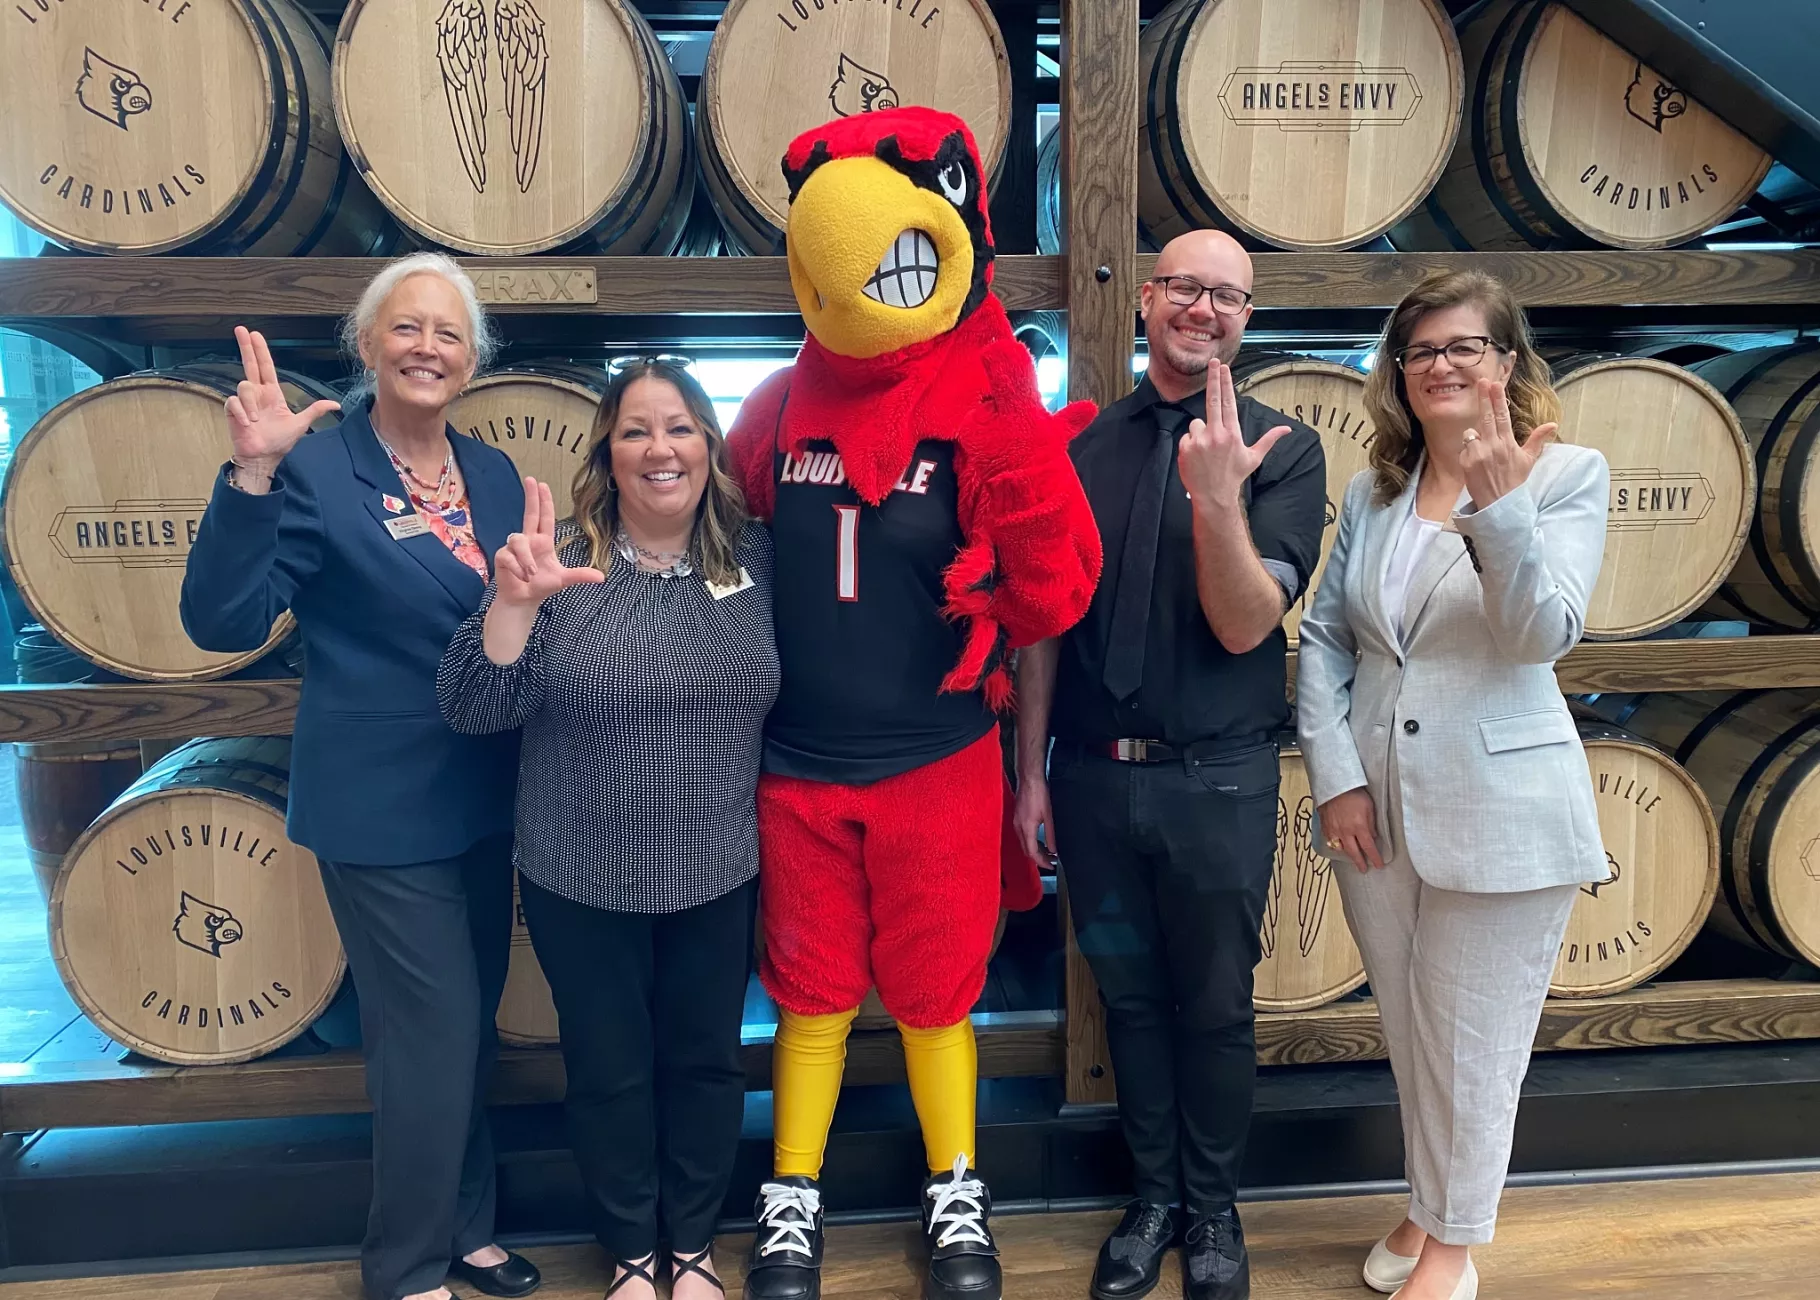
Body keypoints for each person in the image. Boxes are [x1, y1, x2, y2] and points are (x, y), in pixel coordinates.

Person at [180, 253, 540, 1300]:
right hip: (378, 805)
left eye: (449, 332)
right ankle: (406, 1264)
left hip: (483, 794)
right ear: (368, 344)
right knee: (430, 1034)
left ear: (473, 359)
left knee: (465, 1026)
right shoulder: (316, 468)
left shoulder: (488, 473)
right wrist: (251, 476)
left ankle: (466, 1227)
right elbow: (222, 623)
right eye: (407, 327)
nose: (428, 347)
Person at [1013, 229, 1326, 1300]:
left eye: (1227, 296)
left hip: (1219, 783)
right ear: (1147, 300)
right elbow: (1043, 627)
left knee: (1216, 1004)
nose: (1204, 308)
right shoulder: (1084, 447)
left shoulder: (1283, 450)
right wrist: (1031, 773)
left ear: (1247, 319)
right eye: (1187, 287)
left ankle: (1214, 1212)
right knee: (1129, 999)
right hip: (1094, 783)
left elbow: (1245, 624)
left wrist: (1218, 497)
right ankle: (1151, 1201)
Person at [1295, 271, 1609, 1300]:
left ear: (1505, 362)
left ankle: (1453, 1247)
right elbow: (1327, 639)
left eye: (1463, 346)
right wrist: (1336, 776)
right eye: (1419, 350)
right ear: (1398, 372)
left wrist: (1499, 507)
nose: (1440, 366)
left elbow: (1539, 636)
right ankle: (1430, 1206)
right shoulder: (1373, 492)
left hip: (1501, 806)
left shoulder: (1565, 476)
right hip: (1375, 810)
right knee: (1413, 1029)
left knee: (1473, 1041)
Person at [438, 360, 778, 1300]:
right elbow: (471, 708)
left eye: (679, 428)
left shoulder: (756, 558)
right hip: (579, 873)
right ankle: (632, 1249)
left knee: (707, 1065)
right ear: (608, 454)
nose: (660, 449)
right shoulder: (558, 559)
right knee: (608, 1068)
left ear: (709, 446)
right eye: (636, 430)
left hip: (719, 866)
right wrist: (514, 606)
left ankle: (693, 1245)